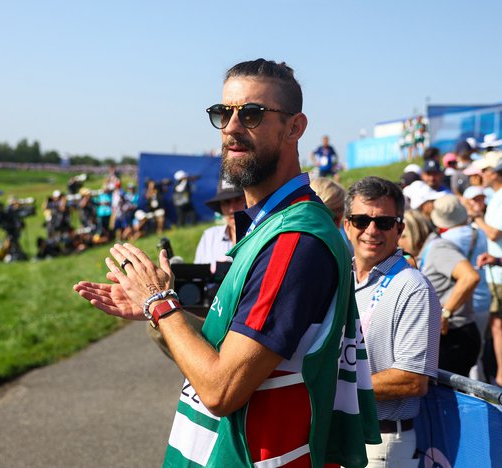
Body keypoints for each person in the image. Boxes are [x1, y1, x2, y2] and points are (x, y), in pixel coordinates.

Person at [74, 58, 379, 467]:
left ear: (294, 127)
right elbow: (234, 349)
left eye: (252, 114)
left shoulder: (293, 238)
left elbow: (222, 388)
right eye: (223, 113)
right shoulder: (271, 227)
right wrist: (164, 312)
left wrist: (161, 304)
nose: (232, 127)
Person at [343, 176, 441, 467]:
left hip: (381, 443)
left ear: (399, 229)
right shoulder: (344, 278)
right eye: (361, 221)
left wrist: (334, 388)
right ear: (347, 225)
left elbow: (412, 381)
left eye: (384, 223)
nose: (371, 231)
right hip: (345, 433)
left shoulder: (413, 287)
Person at [421, 195, 481, 377]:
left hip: (455, 330)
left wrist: (445, 313)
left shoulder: (440, 244)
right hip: (469, 316)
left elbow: (470, 277)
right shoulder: (476, 231)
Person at [467, 154, 502, 385]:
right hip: (496, 271)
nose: (481, 177)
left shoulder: (499, 198)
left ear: (495, 172)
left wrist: (477, 218)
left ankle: (500, 376)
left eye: (484, 171)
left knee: (497, 325)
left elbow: (494, 233)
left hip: (498, 273)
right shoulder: (496, 197)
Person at [194, 177, 246, 266]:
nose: (232, 209)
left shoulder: (261, 235)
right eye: (226, 202)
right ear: (220, 207)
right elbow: (197, 277)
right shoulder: (210, 236)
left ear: (249, 201)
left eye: (238, 200)